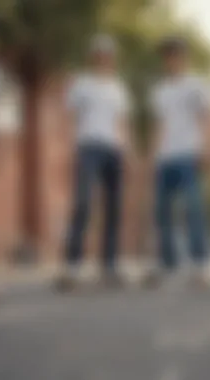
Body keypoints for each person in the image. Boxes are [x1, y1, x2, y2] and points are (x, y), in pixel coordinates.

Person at [54, 35, 133, 291]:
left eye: (107, 54)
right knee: (83, 204)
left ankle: (108, 266)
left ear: (112, 58)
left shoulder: (118, 87)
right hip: (88, 147)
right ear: (93, 56)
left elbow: (122, 122)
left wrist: (126, 150)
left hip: (114, 150)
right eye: (99, 53)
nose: (103, 58)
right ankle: (72, 265)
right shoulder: (82, 84)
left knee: (113, 208)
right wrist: (67, 147)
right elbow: (68, 117)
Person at [149, 37, 210, 287]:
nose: (171, 59)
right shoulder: (160, 90)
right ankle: (168, 263)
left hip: (189, 153)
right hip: (165, 157)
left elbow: (207, 116)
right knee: (162, 210)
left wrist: (206, 148)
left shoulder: (196, 85)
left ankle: (200, 264)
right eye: (168, 55)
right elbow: (159, 124)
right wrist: (153, 154)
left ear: (184, 57)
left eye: (176, 54)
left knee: (193, 208)